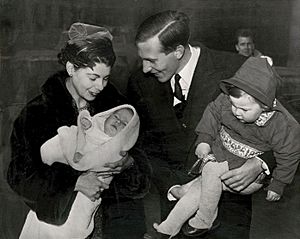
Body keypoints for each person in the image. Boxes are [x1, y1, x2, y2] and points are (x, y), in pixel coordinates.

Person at [127, 10, 269, 239]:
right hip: (173, 210)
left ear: (178, 51)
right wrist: (172, 187)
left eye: (152, 60)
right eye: (142, 59)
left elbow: (287, 124)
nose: (145, 68)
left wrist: (260, 164)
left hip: (229, 216)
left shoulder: (237, 69)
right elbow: (141, 146)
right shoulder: (139, 83)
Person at [7, 22, 150, 239]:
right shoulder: (38, 113)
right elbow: (18, 175)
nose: (101, 86)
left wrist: (128, 163)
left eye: (106, 78)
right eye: (93, 77)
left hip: (115, 224)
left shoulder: (117, 107)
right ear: (72, 68)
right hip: (60, 226)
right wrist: (74, 181)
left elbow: (143, 167)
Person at [153, 57, 300, 237]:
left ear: (265, 106)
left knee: (210, 171)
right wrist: (205, 139)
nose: (237, 112)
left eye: (244, 110)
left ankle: (206, 219)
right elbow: (212, 113)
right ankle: (167, 228)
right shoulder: (226, 102)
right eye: (234, 105)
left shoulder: (279, 124)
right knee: (200, 189)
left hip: (245, 178)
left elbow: (289, 155)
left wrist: (278, 184)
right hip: (223, 160)